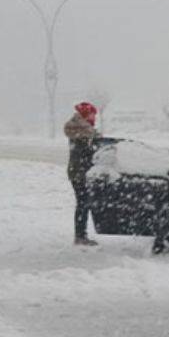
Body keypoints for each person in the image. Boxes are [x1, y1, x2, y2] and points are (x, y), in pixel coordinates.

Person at [64, 101, 99, 245]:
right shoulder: (81, 131)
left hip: (78, 171)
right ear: (86, 115)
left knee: (83, 203)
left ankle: (80, 235)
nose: (93, 117)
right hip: (79, 172)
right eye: (91, 114)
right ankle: (80, 236)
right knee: (83, 203)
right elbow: (84, 153)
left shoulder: (80, 129)